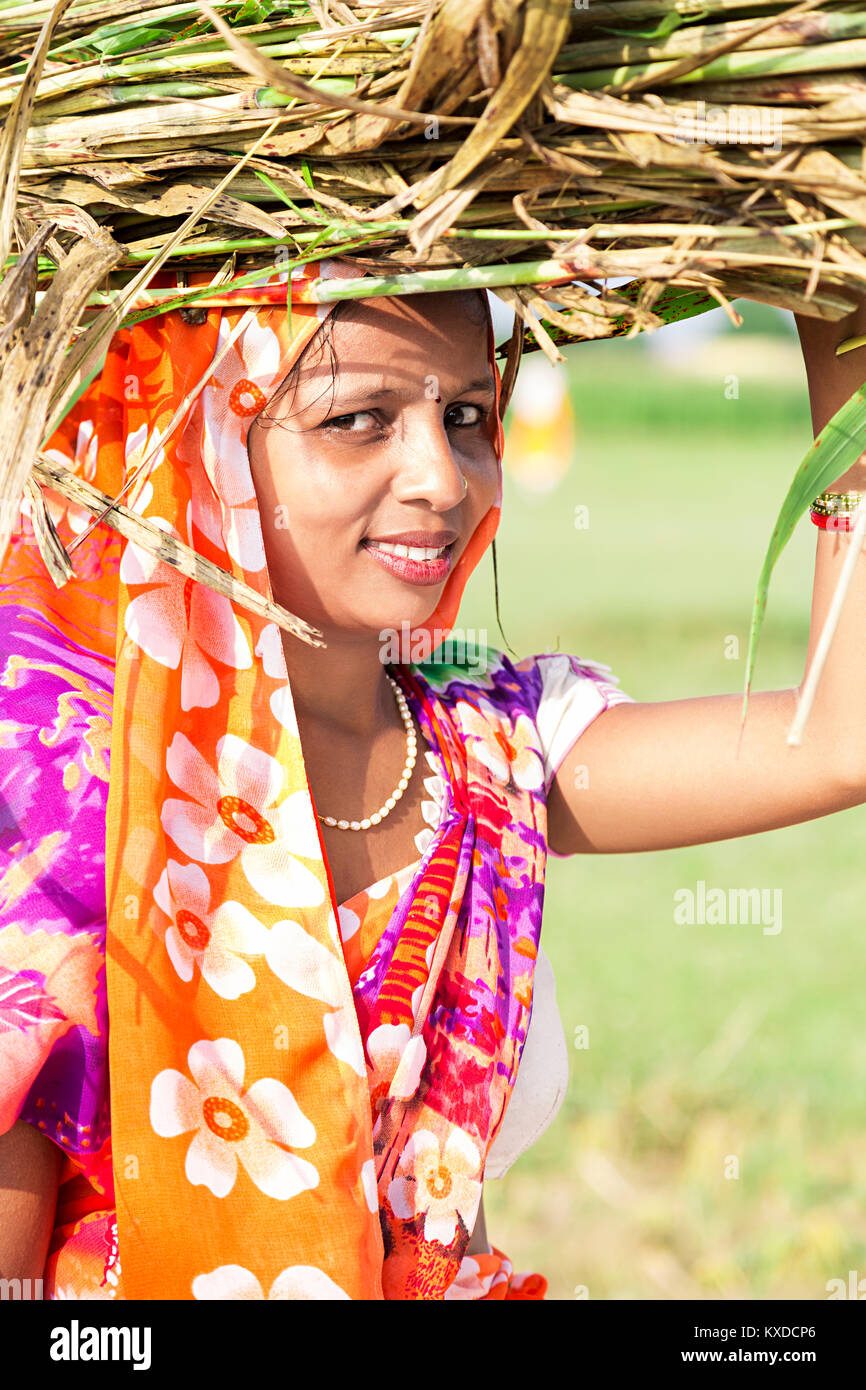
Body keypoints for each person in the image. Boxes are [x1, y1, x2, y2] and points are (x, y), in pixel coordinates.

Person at [0, 253, 864, 1300]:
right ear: (204, 435)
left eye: (464, 415)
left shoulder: (484, 747)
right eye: (358, 418)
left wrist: (841, 311)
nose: (441, 479)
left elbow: (838, 736)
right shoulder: (58, 794)